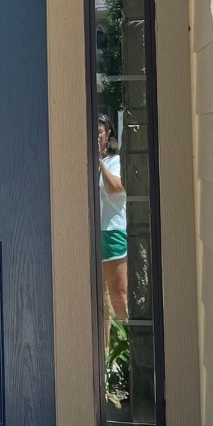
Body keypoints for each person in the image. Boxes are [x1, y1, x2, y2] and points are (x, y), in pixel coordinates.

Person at [97, 112, 128, 332]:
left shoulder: (115, 161)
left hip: (112, 232)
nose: (95, 136)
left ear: (107, 134)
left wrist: (98, 159)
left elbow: (115, 189)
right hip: (91, 232)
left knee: (118, 296)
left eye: (98, 132)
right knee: (97, 300)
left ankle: (127, 346)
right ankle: (105, 354)